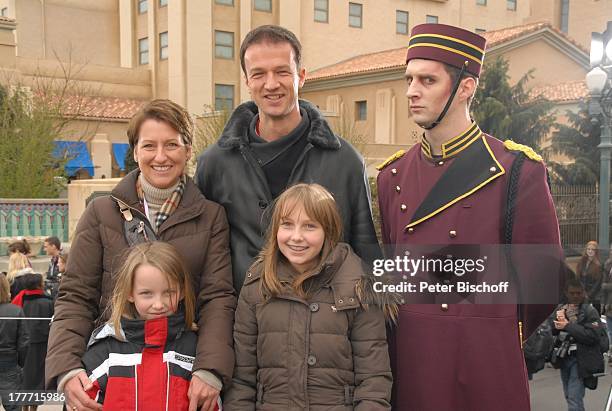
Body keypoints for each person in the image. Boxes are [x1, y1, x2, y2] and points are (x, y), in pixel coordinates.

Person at [376, 23, 563, 410]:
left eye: (427, 80)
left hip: (483, 366)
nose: (412, 91)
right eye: (409, 78)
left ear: (465, 87)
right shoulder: (390, 176)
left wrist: (486, 328)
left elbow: (542, 285)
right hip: (412, 363)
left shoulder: (517, 171)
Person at [46, 99, 236, 411]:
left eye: (172, 145)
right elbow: (75, 296)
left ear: (188, 151)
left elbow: (217, 298)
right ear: (135, 152)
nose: (160, 156)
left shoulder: (211, 216)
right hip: (114, 374)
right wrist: (66, 369)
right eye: (149, 146)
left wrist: (211, 369)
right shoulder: (101, 212)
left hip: (179, 374)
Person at [195, 25, 380, 291]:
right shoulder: (215, 163)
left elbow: (366, 257)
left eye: (282, 71)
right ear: (247, 82)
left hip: (325, 325)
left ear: (301, 76)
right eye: (258, 74)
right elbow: (203, 256)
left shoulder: (346, 161)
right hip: (243, 324)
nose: (271, 84)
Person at [225, 183, 392, 410]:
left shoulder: (359, 286)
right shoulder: (257, 285)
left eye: (309, 226)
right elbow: (241, 381)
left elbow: (373, 380)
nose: (296, 237)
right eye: (287, 225)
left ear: (328, 231)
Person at [81, 242, 221, 411]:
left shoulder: (196, 351)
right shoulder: (106, 351)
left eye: (168, 293)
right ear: (130, 294)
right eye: (147, 293)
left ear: (182, 292)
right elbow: (85, 402)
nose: (158, 304)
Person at [551, 279, 605, 411]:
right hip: (564, 358)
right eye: (572, 293)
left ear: (583, 293)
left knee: (575, 397)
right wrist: (558, 324)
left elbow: (592, 336)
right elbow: (552, 332)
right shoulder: (561, 309)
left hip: (581, 359)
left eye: (578, 293)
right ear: (566, 293)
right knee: (569, 395)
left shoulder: (590, 311)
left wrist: (568, 326)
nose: (575, 296)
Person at [12, 273, 54, 411]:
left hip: (22, 345)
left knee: (24, 377)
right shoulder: (48, 301)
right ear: (40, 284)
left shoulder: (20, 300)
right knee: (37, 378)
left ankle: (24, 407)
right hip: (41, 345)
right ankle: (33, 408)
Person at [0, 273, 29, 411]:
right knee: (13, 406)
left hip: (9, 360)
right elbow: (24, 342)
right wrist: (21, 363)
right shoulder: (15, 311)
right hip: (9, 362)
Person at [576, 240, 602, 313]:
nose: (590, 251)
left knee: (593, 317)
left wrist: (588, 295)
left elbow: (598, 283)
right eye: (588, 249)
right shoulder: (581, 262)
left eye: (592, 249)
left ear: (596, 251)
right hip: (581, 293)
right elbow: (578, 278)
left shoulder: (598, 265)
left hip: (593, 295)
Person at [601, 244, 612, 361]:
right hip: (609, 304)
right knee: (609, 330)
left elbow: (605, 285)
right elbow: (602, 284)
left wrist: (606, 286)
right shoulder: (607, 264)